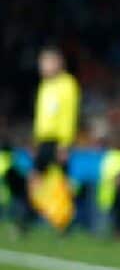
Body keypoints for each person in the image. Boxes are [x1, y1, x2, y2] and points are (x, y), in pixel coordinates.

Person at [29, 46, 79, 231]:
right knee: (35, 181)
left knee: (62, 183)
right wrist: (36, 140)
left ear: (58, 62)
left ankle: (65, 222)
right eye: (42, 63)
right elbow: (41, 116)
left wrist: (65, 144)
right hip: (43, 140)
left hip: (58, 141)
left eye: (47, 62)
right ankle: (33, 219)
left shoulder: (67, 85)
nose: (43, 67)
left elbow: (68, 115)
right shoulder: (45, 86)